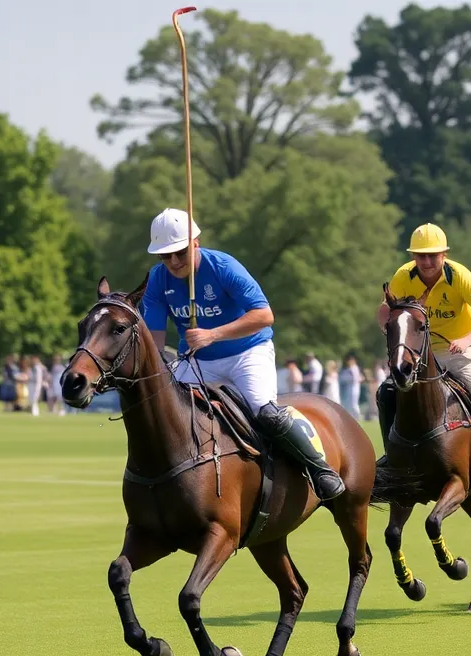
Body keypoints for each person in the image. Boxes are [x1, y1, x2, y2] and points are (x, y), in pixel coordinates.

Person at [140, 207, 344, 500]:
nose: (173, 261)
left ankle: (318, 468)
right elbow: (155, 340)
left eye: (180, 252)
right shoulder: (157, 281)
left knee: (264, 410)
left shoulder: (223, 267)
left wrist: (212, 334)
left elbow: (264, 315)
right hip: (196, 361)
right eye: (165, 255)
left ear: (195, 242)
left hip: (247, 352)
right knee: (166, 410)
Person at [376, 222, 471, 479]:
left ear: (444, 254)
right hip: (423, 353)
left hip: (462, 349)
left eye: (433, 255)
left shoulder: (460, 275)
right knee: (386, 392)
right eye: (421, 255)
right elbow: (385, 311)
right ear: (413, 257)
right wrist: (394, 336)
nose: (427, 261)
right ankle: (391, 453)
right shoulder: (403, 276)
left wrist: (467, 339)